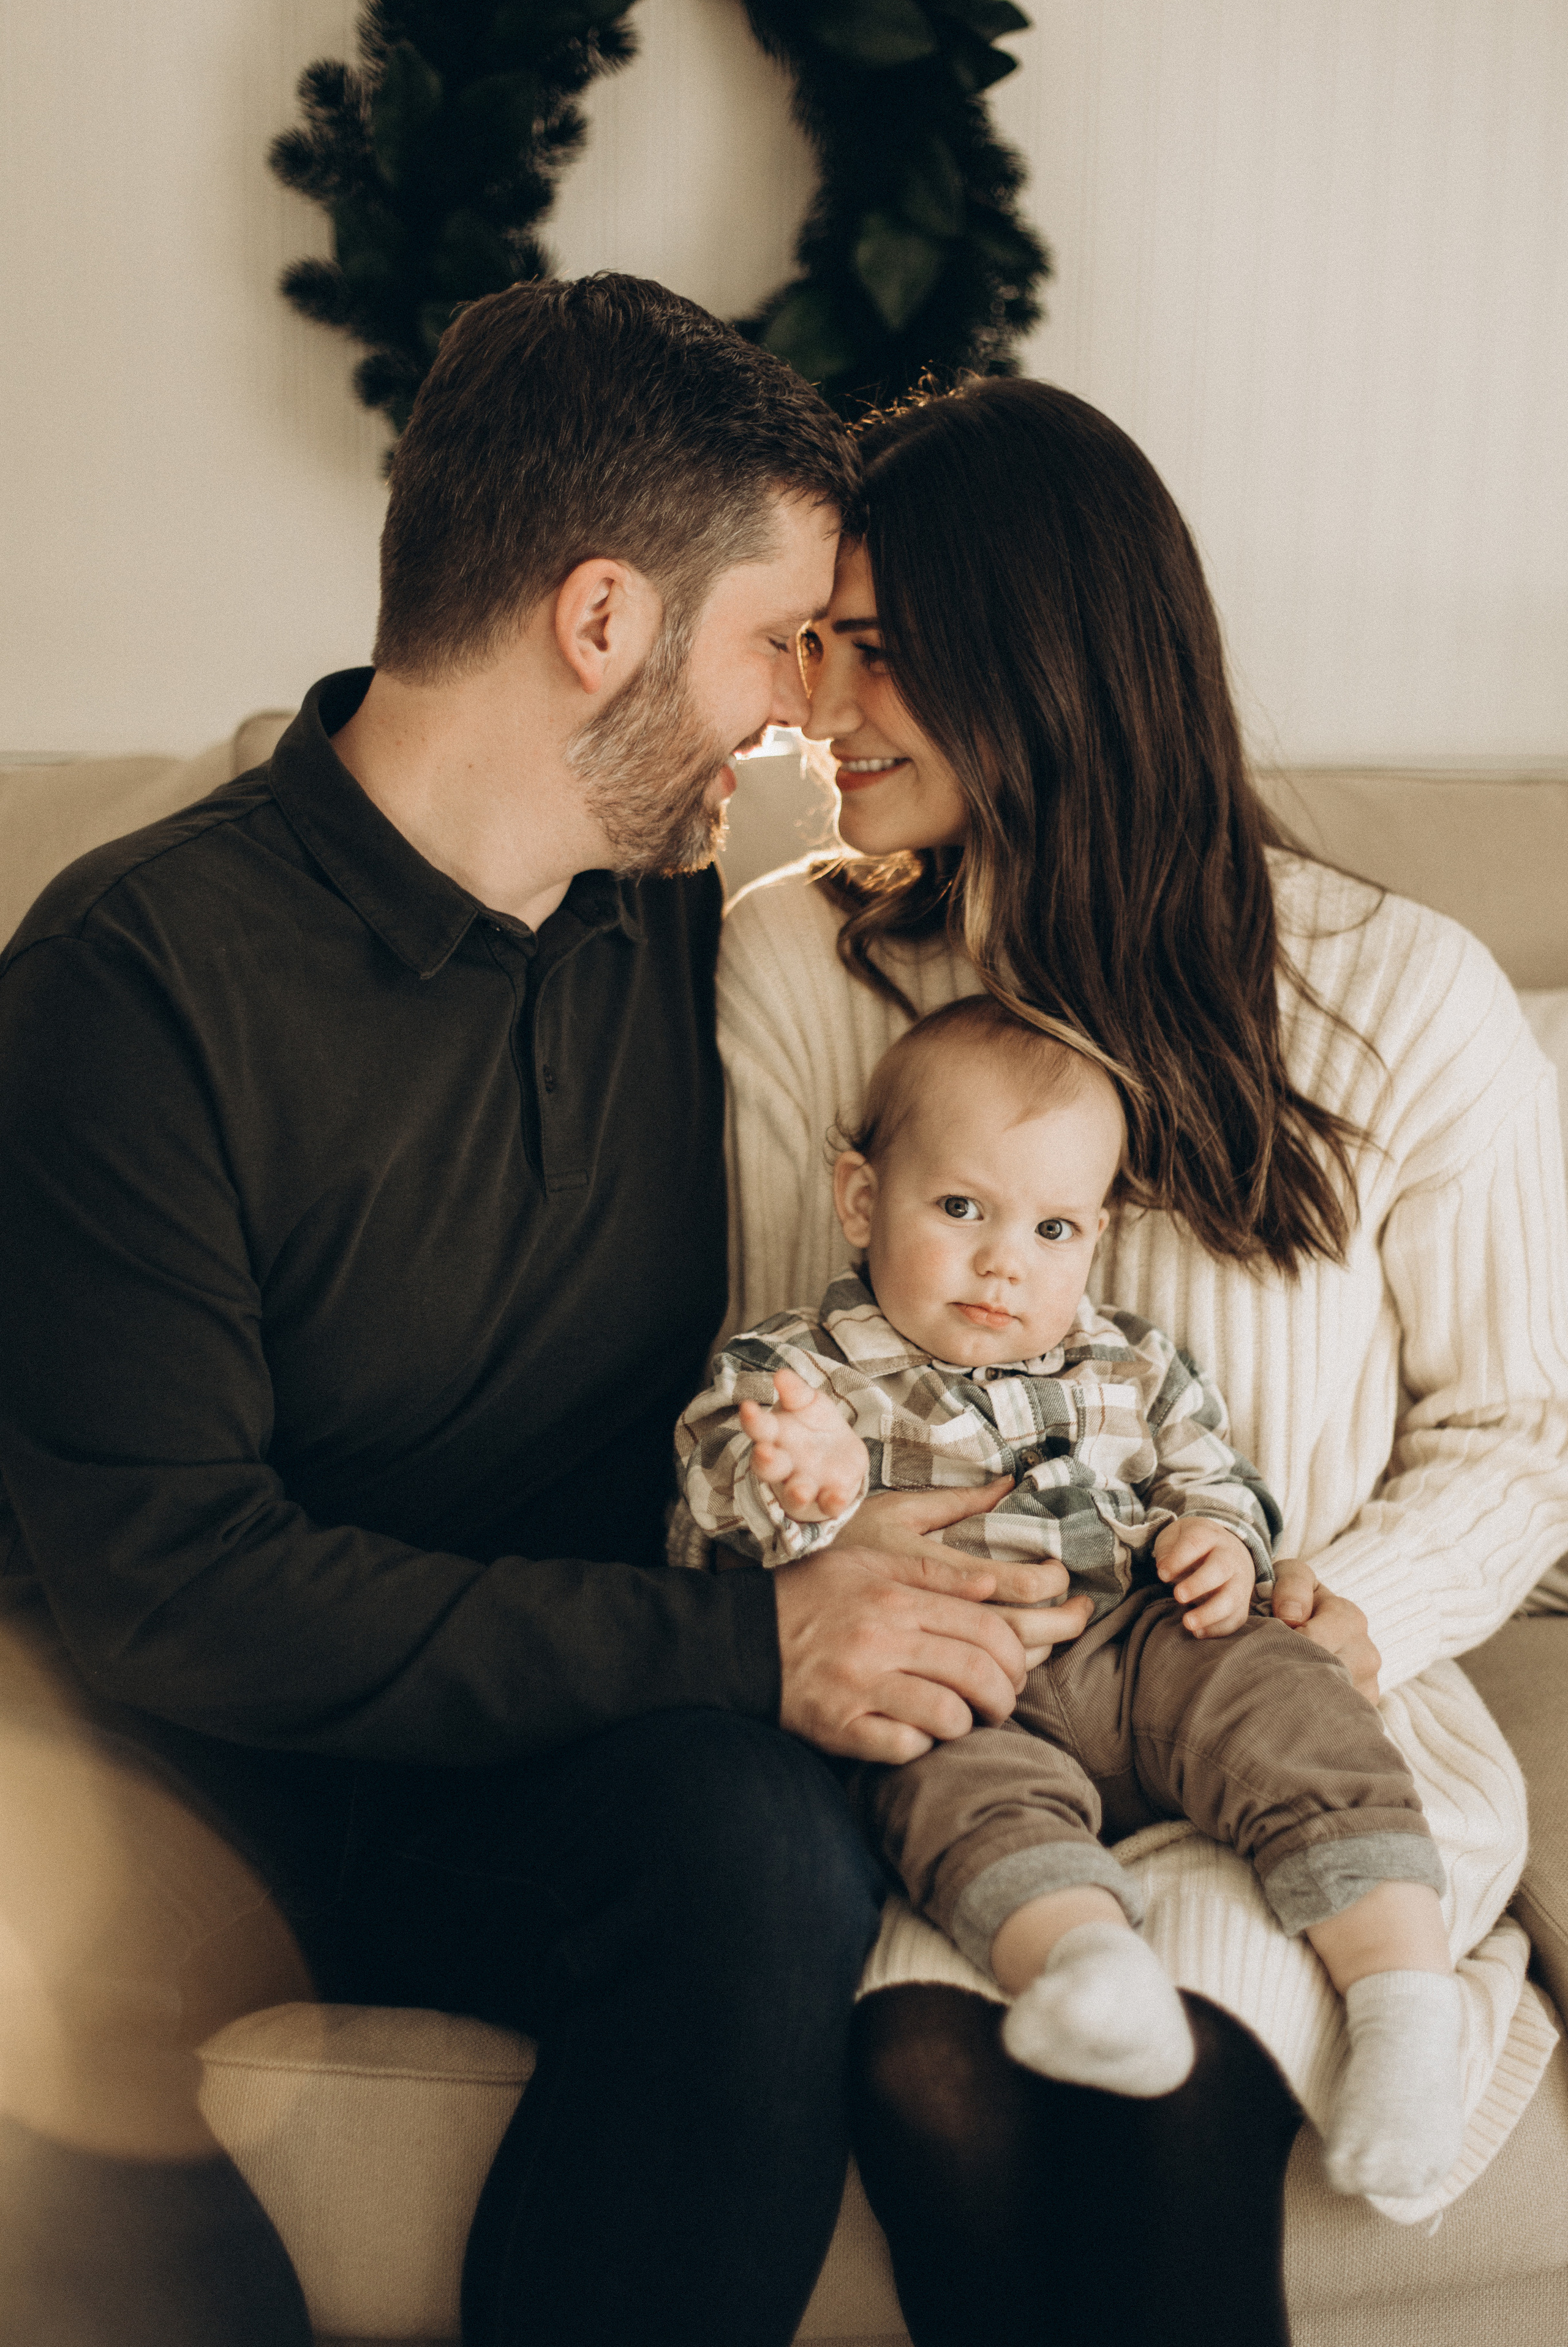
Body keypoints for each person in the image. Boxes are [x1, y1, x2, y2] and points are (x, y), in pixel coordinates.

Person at [0, 277, 1064, 2347]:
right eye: (774, 640)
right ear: (602, 622)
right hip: (171, 1745)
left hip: (544, 1746)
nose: (794, 717)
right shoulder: (132, 981)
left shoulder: (692, 925)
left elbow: (1054, 860)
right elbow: (168, 1591)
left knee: (764, 1869)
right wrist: (745, 1638)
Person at [717, 376, 1568, 2345]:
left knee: (1168, 2116)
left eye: (879, 655)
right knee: (937, 2088)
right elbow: (776, 1357)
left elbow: (1520, 1437)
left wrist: (1318, 1612)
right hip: (965, 1727)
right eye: (815, 648)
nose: (815, 715)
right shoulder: (805, 964)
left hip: (1289, 1709)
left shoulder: (1394, 1000)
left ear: (1051, 667)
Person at [677, 993, 1463, 2202]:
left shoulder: (1130, 1361)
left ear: (1094, 1241)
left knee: (1288, 1701)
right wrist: (802, 1485)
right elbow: (716, 1509)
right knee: (942, 1790)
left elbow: (1212, 1469)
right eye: (959, 1210)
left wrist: (1219, 1536)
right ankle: (1091, 1976)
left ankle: (1404, 2004)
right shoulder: (797, 1371)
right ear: (856, 1202)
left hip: (1145, 1636)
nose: (1006, 1262)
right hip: (958, 1674)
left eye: (1053, 1229)